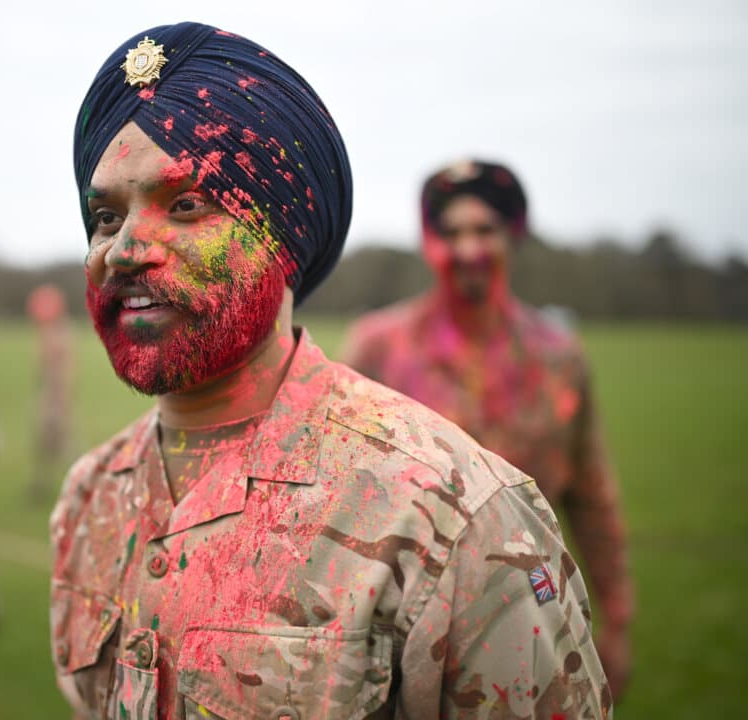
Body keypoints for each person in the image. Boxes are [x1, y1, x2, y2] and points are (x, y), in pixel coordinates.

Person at [50, 22, 611, 720]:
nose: (125, 249)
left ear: (284, 234)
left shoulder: (453, 516)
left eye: (186, 204)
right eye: (104, 217)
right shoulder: (90, 499)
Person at [340, 159, 633, 699]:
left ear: (512, 237)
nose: (468, 248)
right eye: (451, 233)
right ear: (430, 243)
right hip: (402, 621)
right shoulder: (379, 348)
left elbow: (592, 496)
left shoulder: (558, 358)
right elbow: (338, 496)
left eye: (484, 230)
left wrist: (616, 617)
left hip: (533, 602)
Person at [25, 284, 74, 502]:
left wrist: (58, 403)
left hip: (55, 401)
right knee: (45, 445)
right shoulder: (49, 334)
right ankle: (41, 484)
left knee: (62, 444)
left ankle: (79, 485)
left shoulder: (58, 336)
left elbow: (62, 375)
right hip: (49, 398)